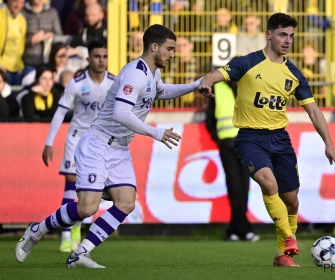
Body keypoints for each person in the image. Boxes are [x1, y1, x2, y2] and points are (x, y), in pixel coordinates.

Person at [16, 24, 202, 268]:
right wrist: (156, 132)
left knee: (126, 202)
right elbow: (121, 113)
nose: (172, 54)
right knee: (86, 208)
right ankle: (37, 230)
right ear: (154, 46)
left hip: (120, 149)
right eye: (169, 49)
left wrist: (195, 84)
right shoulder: (135, 73)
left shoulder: (152, 73)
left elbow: (162, 91)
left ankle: (80, 253)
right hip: (98, 144)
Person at [198, 13, 335, 267]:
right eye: (283, 34)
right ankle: (289, 237)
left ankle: (282, 256)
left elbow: (314, 111)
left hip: (279, 139)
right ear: (269, 34)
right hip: (250, 138)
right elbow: (215, 74)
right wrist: (207, 83)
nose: (287, 40)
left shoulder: (294, 73)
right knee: (268, 182)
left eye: (291, 36)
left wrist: (328, 143)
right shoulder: (248, 62)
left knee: (292, 200)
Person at [41, 41, 112, 253]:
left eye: (104, 56)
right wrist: (48, 142)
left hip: (98, 142)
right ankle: (64, 236)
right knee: (70, 185)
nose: (101, 60)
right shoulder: (77, 83)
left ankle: (76, 230)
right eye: (97, 56)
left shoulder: (114, 83)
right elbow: (61, 112)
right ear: (89, 59)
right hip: (76, 138)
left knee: (87, 192)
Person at [205, 77, 259, 242]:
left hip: (246, 146)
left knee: (243, 188)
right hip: (228, 145)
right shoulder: (219, 88)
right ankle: (244, 229)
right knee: (236, 188)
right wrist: (219, 140)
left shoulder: (250, 87)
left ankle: (235, 229)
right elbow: (210, 119)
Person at [0, 0, 27, 85]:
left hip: (16, 69)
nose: (18, 5)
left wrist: (20, 64)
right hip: (2, 68)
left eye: (22, 2)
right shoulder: (1, 16)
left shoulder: (22, 19)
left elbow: (20, 45)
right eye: (16, 1)